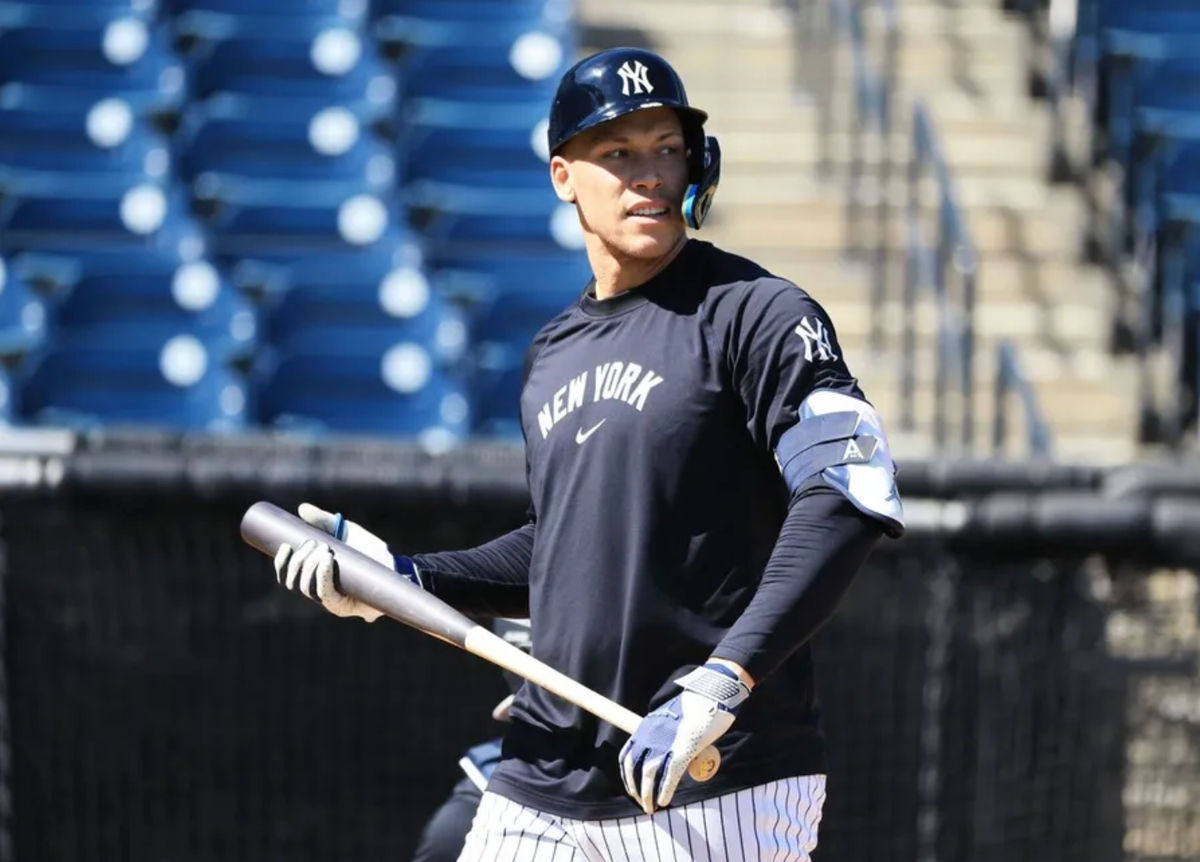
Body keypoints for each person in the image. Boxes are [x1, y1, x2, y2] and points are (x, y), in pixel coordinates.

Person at [274, 47, 904, 861]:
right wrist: (406, 578)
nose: (649, 174)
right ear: (564, 177)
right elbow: (560, 546)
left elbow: (846, 494)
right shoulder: (554, 353)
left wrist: (725, 680)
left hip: (712, 778)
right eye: (618, 154)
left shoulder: (759, 314)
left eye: (666, 149)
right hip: (545, 773)